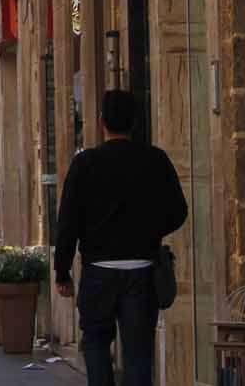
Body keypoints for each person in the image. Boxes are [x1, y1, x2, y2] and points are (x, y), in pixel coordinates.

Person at [54, 90, 189, 386]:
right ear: (136, 123)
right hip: (142, 271)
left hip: (98, 271)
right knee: (139, 352)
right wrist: (149, 231)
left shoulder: (85, 163)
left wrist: (62, 270)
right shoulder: (155, 160)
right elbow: (179, 211)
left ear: (102, 122)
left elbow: (68, 222)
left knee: (96, 343)